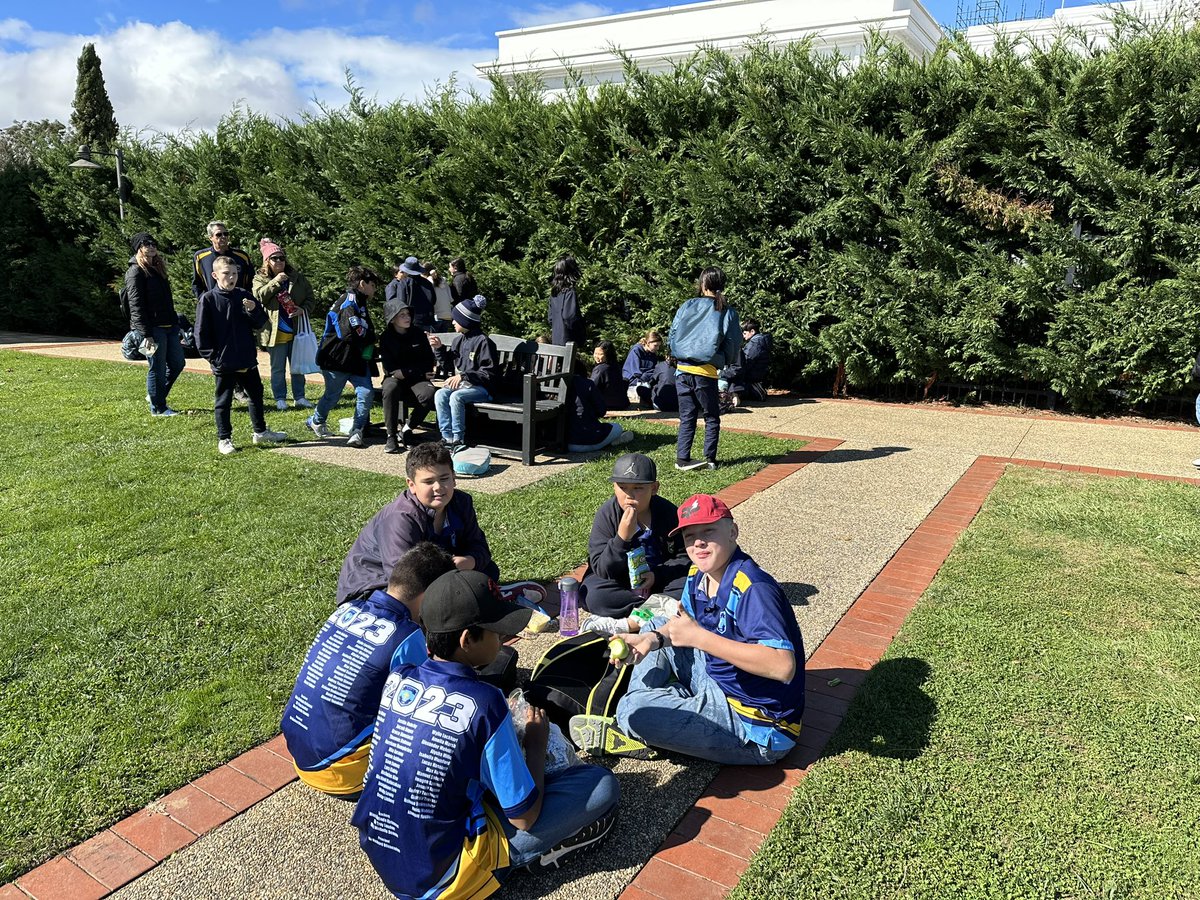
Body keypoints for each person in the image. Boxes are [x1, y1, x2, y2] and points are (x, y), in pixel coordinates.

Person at [352, 569, 620, 898]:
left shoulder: (399, 678)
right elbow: (524, 817)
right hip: (443, 876)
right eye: (497, 632)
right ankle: (524, 859)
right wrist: (535, 746)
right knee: (601, 784)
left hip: (383, 849)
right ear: (467, 640)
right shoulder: (485, 703)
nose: (504, 639)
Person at [570, 494, 804, 766]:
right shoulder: (699, 575)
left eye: (708, 531)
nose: (699, 542)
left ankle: (642, 719)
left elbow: (782, 666)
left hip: (756, 725)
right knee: (656, 624)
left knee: (631, 710)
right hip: (721, 681)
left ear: (733, 531)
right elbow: (680, 628)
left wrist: (700, 638)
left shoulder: (754, 588)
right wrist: (649, 639)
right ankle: (663, 707)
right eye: (690, 536)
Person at [282, 543, 456, 798]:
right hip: (343, 772)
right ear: (430, 595)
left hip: (300, 754)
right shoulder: (406, 636)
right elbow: (422, 710)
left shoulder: (345, 610)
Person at [336, 442, 501, 604]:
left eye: (444, 479)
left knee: (488, 571)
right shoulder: (401, 518)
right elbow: (401, 578)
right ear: (412, 485)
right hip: (374, 588)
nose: (438, 487)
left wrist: (469, 561)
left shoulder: (461, 503)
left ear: (454, 478)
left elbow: (480, 547)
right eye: (428, 482)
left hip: (434, 572)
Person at [580, 453, 689, 623]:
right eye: (623, 487)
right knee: (593, 594)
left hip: (658, 579)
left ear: (654, 488)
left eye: (638, 488)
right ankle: (654, 610)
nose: (629, 495)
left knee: (693, 583)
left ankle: (645, 613)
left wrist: (657, 575)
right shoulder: (608, 514)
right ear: (614, 487)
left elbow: (684, 557)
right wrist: (622, 538)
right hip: (621, 581)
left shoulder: (667, 513)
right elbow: (601, 568)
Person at [194, 257, 288, 455]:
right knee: (224, 401)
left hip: (246, 358)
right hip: (224, 361)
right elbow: (201, 334)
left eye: (234, 274)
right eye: (226, 273)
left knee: (256, 395)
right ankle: (224, 438)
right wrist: (214, 358)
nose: (231, 277)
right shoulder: (208, 299)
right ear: (215, 275)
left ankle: (260, 431)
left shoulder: (244, 295)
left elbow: (260, 322)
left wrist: (253, 311)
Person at [668, 266, 741, 471]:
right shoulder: (727, 311)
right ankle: (709, 458)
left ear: (702, 284)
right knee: (711, 416)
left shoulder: (687, 305)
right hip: (705, 372)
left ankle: (682, 458)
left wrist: (676, 353)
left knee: (687, 417)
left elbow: (673, 334)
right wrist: (722, 360)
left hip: (682, 370)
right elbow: (733, 343)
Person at [307, 265, 381, 449]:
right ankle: (316, 421)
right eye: (373, 285)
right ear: (363, 284)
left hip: (357, 360)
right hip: (336, 359)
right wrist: (372, 336)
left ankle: (357, 431)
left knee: (366, 393)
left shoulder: (361, 301)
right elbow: (350, 334)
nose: (376, 289)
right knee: (332, 396)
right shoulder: (348, 303)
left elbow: (363, 332)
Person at [124, 232, 184, 417]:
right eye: (145, 243)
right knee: (156, 367)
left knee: (177, 363)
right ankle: (158, 408)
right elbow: (135, 304)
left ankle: (155, 396)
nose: (151, 246)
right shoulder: (135, 271)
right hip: (151, 330)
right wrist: (145, 333)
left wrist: (175, 323)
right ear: (138, 248)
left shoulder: (158, 267)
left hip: (169, 326)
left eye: (153, 243)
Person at [252, 238, 316, 411]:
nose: (279, 261)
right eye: (274, 258)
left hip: (295, 330)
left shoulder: (297, 277)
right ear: (267, 261)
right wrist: (276, 281)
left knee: (297, 367)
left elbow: (311, 298)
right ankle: (280, 398)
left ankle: (300, 397)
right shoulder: (260, 278)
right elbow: (258, 296)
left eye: (281, 258)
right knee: (278, 368)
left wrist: (302, 309)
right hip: (274, 331)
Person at [433, 295, 498, 453]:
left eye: (456, 319)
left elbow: (489, 373)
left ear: (466, 321)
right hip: (463, 386)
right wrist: (439, 348)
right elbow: (449, 364)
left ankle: (458, 439)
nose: (453, 322)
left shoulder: (484, 342)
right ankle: (446, 437)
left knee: (456, 397)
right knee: (441, 394)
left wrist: (464, 376)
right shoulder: (459, 341)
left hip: (482, 389)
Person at [379, 296, 437, 454]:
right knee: (390, 388)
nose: (407, 318)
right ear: (392, 319)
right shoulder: (386, 338)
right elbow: (390, 369)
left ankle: (407, 429)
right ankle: (390, 435)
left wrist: (408, 372)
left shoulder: (418, 334)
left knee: (429, 394)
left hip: (416, 378)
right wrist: (408, 372)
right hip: (394, 379)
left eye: (408, 314)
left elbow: (428, 363)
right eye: (402, 315)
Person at [567, 374, 634, 453]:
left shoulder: (555, 384)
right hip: (588, 440)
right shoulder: (587, 384)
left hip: (565, 442)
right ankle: (611, 442)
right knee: (617, 427)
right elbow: (601, 410)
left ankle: (610, 441)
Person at [191, 220, 253, 301]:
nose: (223, 236)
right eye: (219, 234)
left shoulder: (241, 256)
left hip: (239, 304)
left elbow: (251, 281)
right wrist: (205, 300)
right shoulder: (200, 257)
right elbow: (197, 284)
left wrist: (247, 299)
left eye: (225, 234)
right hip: (214, 305)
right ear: (211, 237)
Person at [719, 318, 772, 406]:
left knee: (732, 371)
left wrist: (723, 373)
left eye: (744, 333)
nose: (743, 336)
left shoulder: (755, 345)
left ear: (752, 331)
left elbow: (743, 365)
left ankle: (737, 392)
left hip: (751, 377)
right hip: (754, 374)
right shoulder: (759, 342)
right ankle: (734, 392)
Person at [387, 256, 436, 333]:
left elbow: (400, 303)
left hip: (411, 322)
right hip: (427, 321)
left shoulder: (403, 284)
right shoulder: (428, 283)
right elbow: (433, 300)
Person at [547, 254, 585, 347]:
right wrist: (581, 335)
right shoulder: (570, 292)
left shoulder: (554, 293)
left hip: (556, 340)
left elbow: (550, 318)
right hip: (568, 341)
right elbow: (570, 317)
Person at [621, 330, 663, 405]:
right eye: (655, 345)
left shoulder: (652, 353)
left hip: (647, 379)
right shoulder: (636, 351)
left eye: (659, 346)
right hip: (634, 381)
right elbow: (636, 372)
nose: (657, 348)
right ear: (647, 343)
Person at [590, 340, 628, 411]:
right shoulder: (616, 366)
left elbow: (592, 386)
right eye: (595, 353)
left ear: (608, 354)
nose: (597, 357)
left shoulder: (600, 369)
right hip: (620, 404)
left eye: (600, 354)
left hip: (606, 404)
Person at [427, 267, 455, 331]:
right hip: (448, 316)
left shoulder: (428, 282)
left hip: (437, 316)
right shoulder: (444, 282)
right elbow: (451, 299)